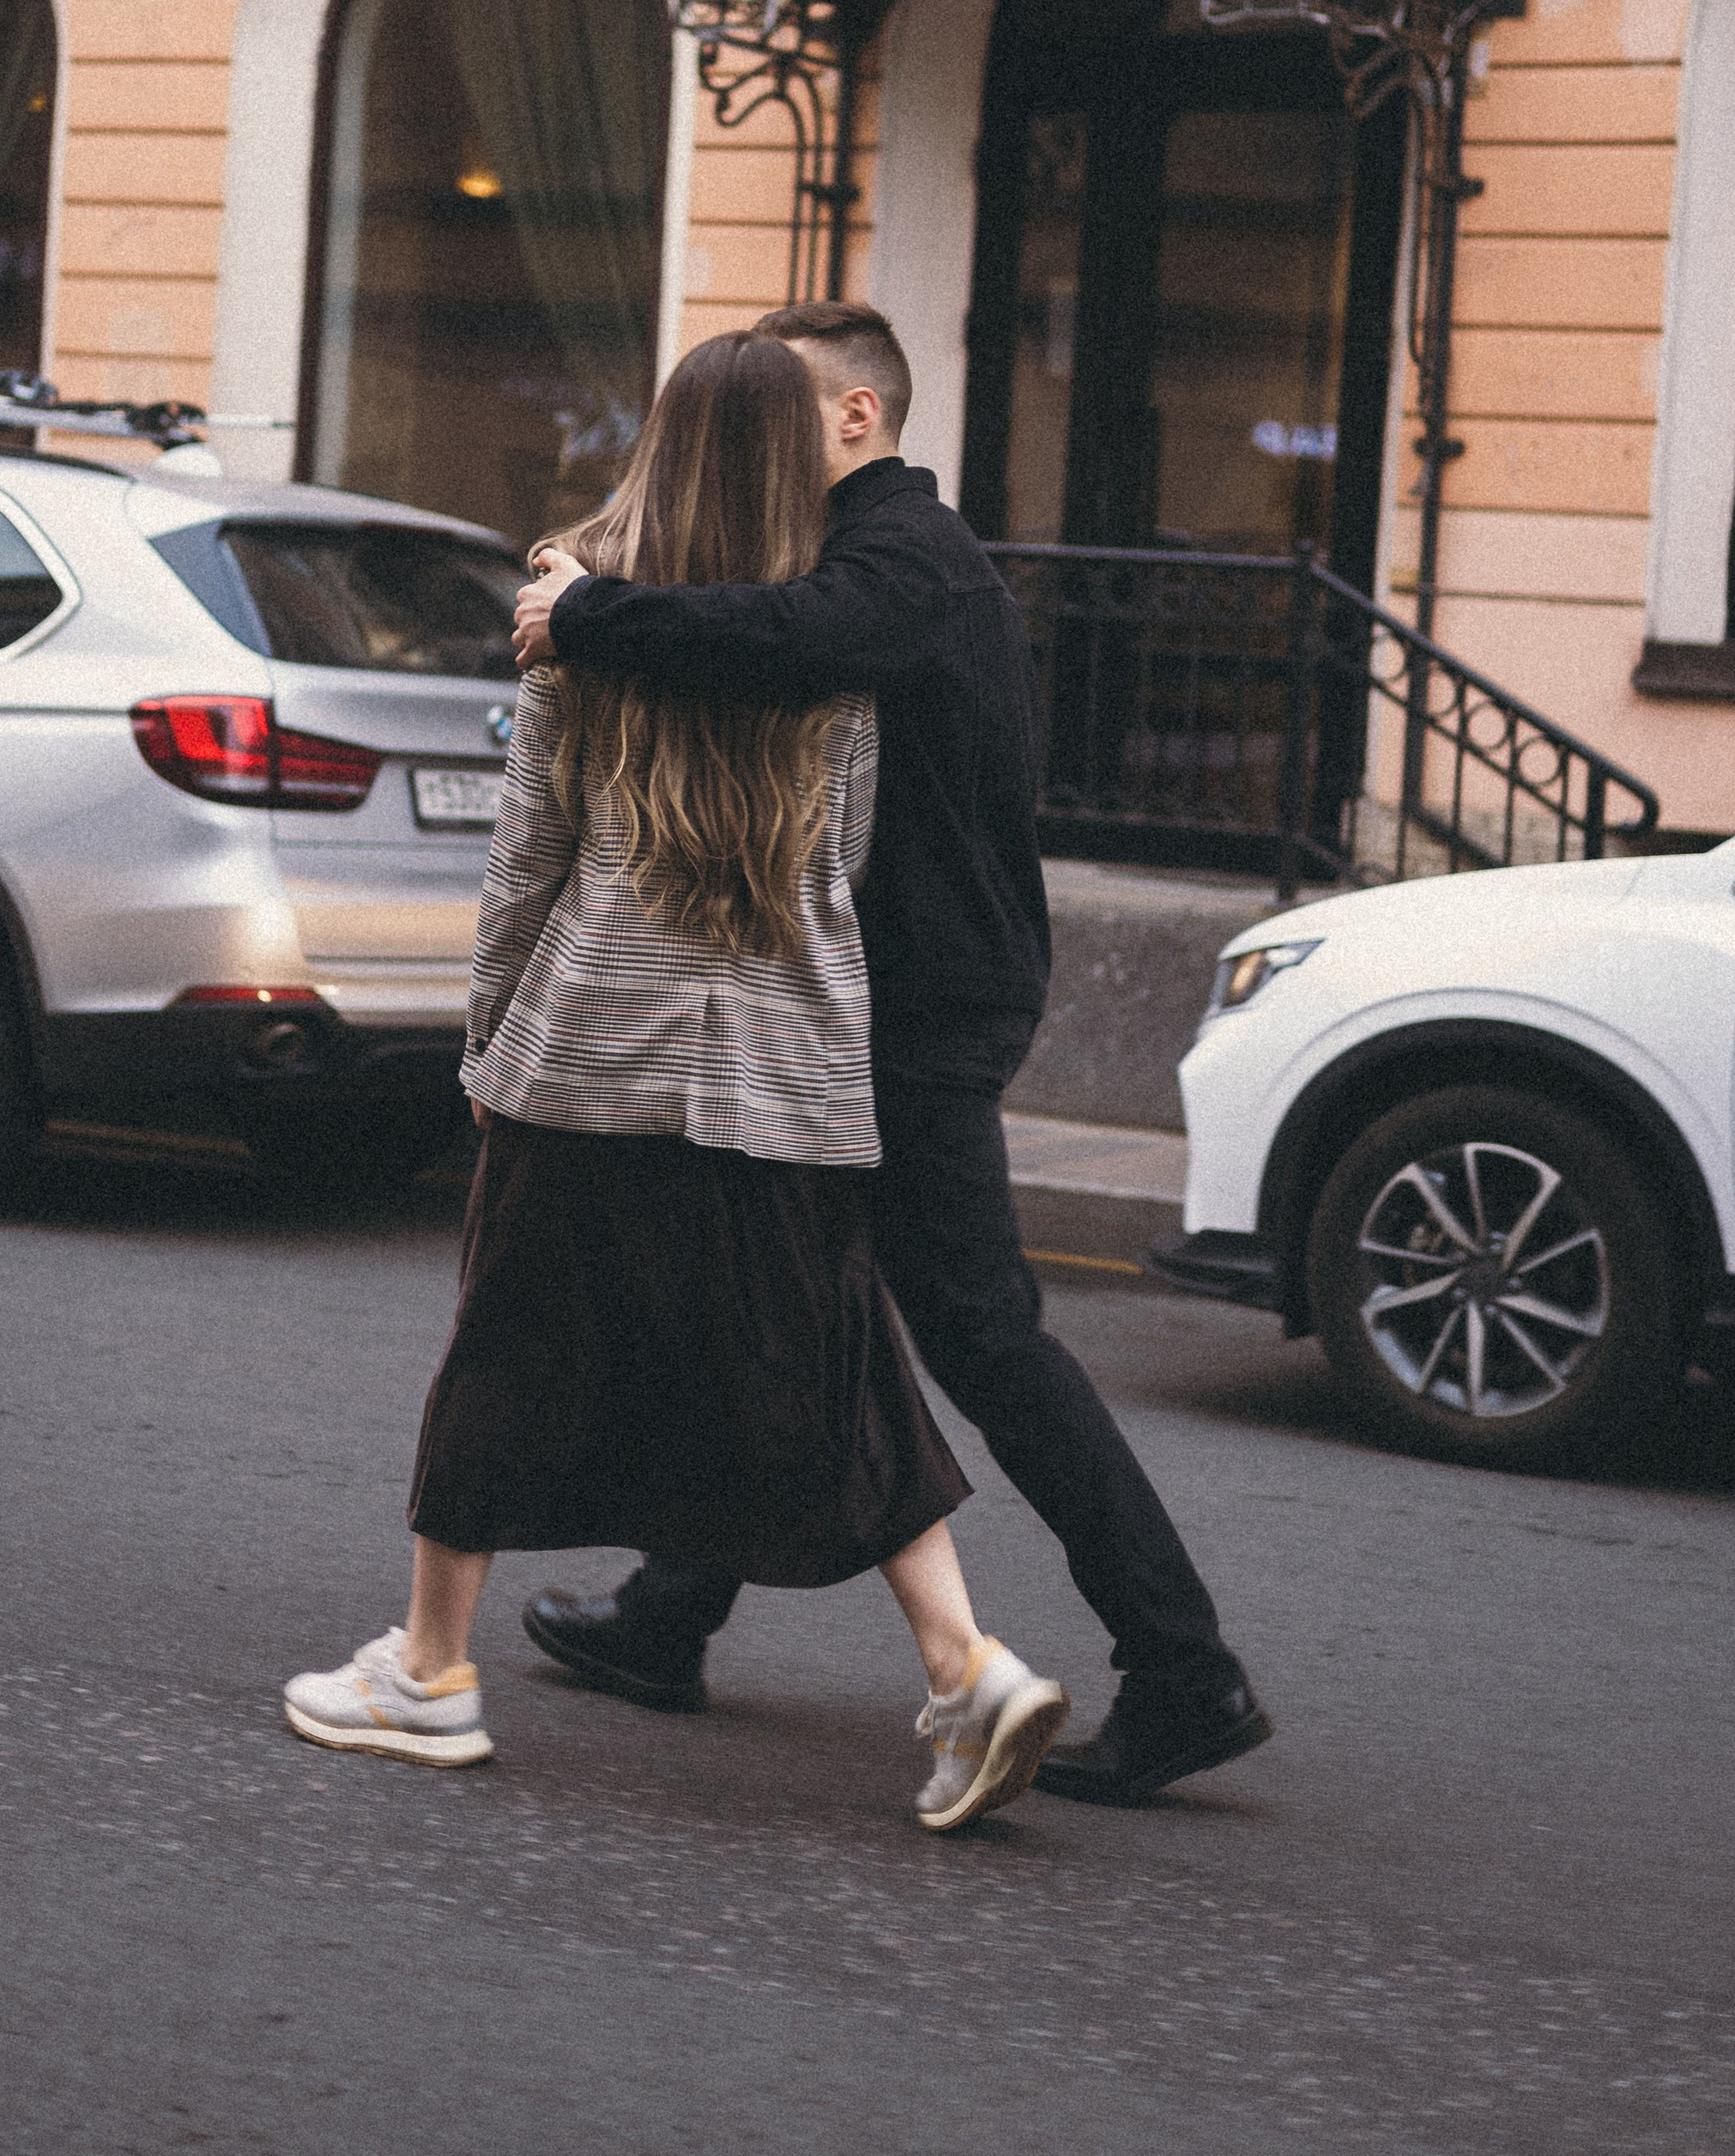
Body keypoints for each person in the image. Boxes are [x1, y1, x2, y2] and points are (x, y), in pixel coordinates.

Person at [282, 331, 1068, 1832]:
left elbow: (533, 856)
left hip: (593, 1042)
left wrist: (485, 1037)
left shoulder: (574, 603)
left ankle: (430, 1676)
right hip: (791, 1055)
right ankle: (967, 1667)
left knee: (507, 1349)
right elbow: (838, 858)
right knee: (833, 1364)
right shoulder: (825, 637)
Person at [511, 302, 1270, 1808]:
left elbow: (794, 645)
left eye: (777, 411)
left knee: (977, 1335)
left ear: (858, 416)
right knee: (789, 1292)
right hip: (909, 996)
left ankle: (1183, 1669)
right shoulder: (890, 558)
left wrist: (589, 614)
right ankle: (670, 1614)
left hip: (914, 1013)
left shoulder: (906, 562)